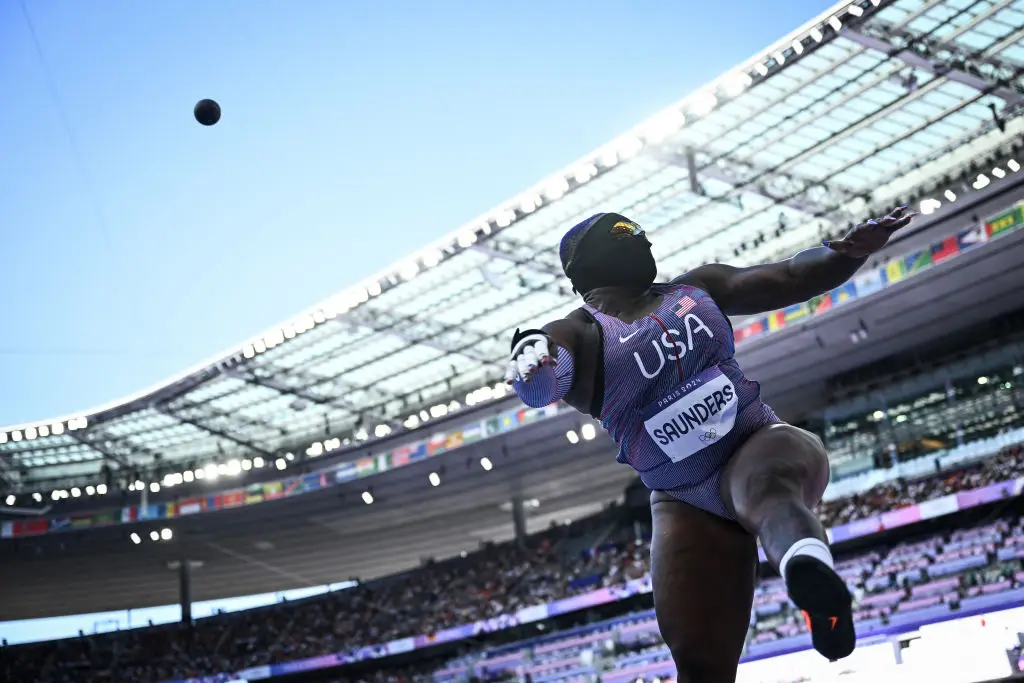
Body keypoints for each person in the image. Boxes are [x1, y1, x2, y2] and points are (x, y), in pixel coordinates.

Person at [505, 207, 915, 681]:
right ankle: (812, 583)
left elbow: (789, 276)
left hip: (757, 441)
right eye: (632, 242)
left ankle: (813, 578)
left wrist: (843, 253)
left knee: (769, 491)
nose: (649, 249)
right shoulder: (579, 332)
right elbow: (544, 379)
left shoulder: (696, 288)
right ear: (597, 265)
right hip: (683, 501)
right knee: (701, 666)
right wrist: (531, 360)